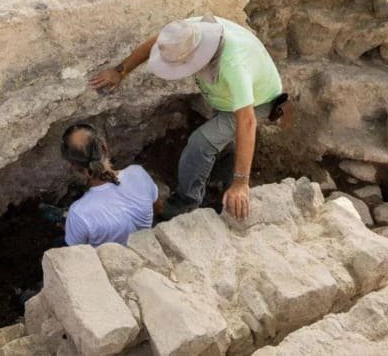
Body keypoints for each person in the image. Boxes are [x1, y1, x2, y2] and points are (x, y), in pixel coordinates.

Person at [90, 15, 286, 221]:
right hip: (228, 99)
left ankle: (187, 201)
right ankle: (223, 173)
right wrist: (120, 71)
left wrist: (241, 183)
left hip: (258, 101)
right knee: (220, 138)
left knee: (200, 143)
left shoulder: (233, 65)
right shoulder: (188, 34)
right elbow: (156, 42)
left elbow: (247, 121)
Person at [61, 123, 160, 246]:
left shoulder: (78, 213)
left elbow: (76, 251)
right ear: (104, 148)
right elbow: (157, 206)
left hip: (112, 257)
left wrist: (70, 227)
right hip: (146, 245)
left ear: (73, 166)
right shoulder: (138, 173)